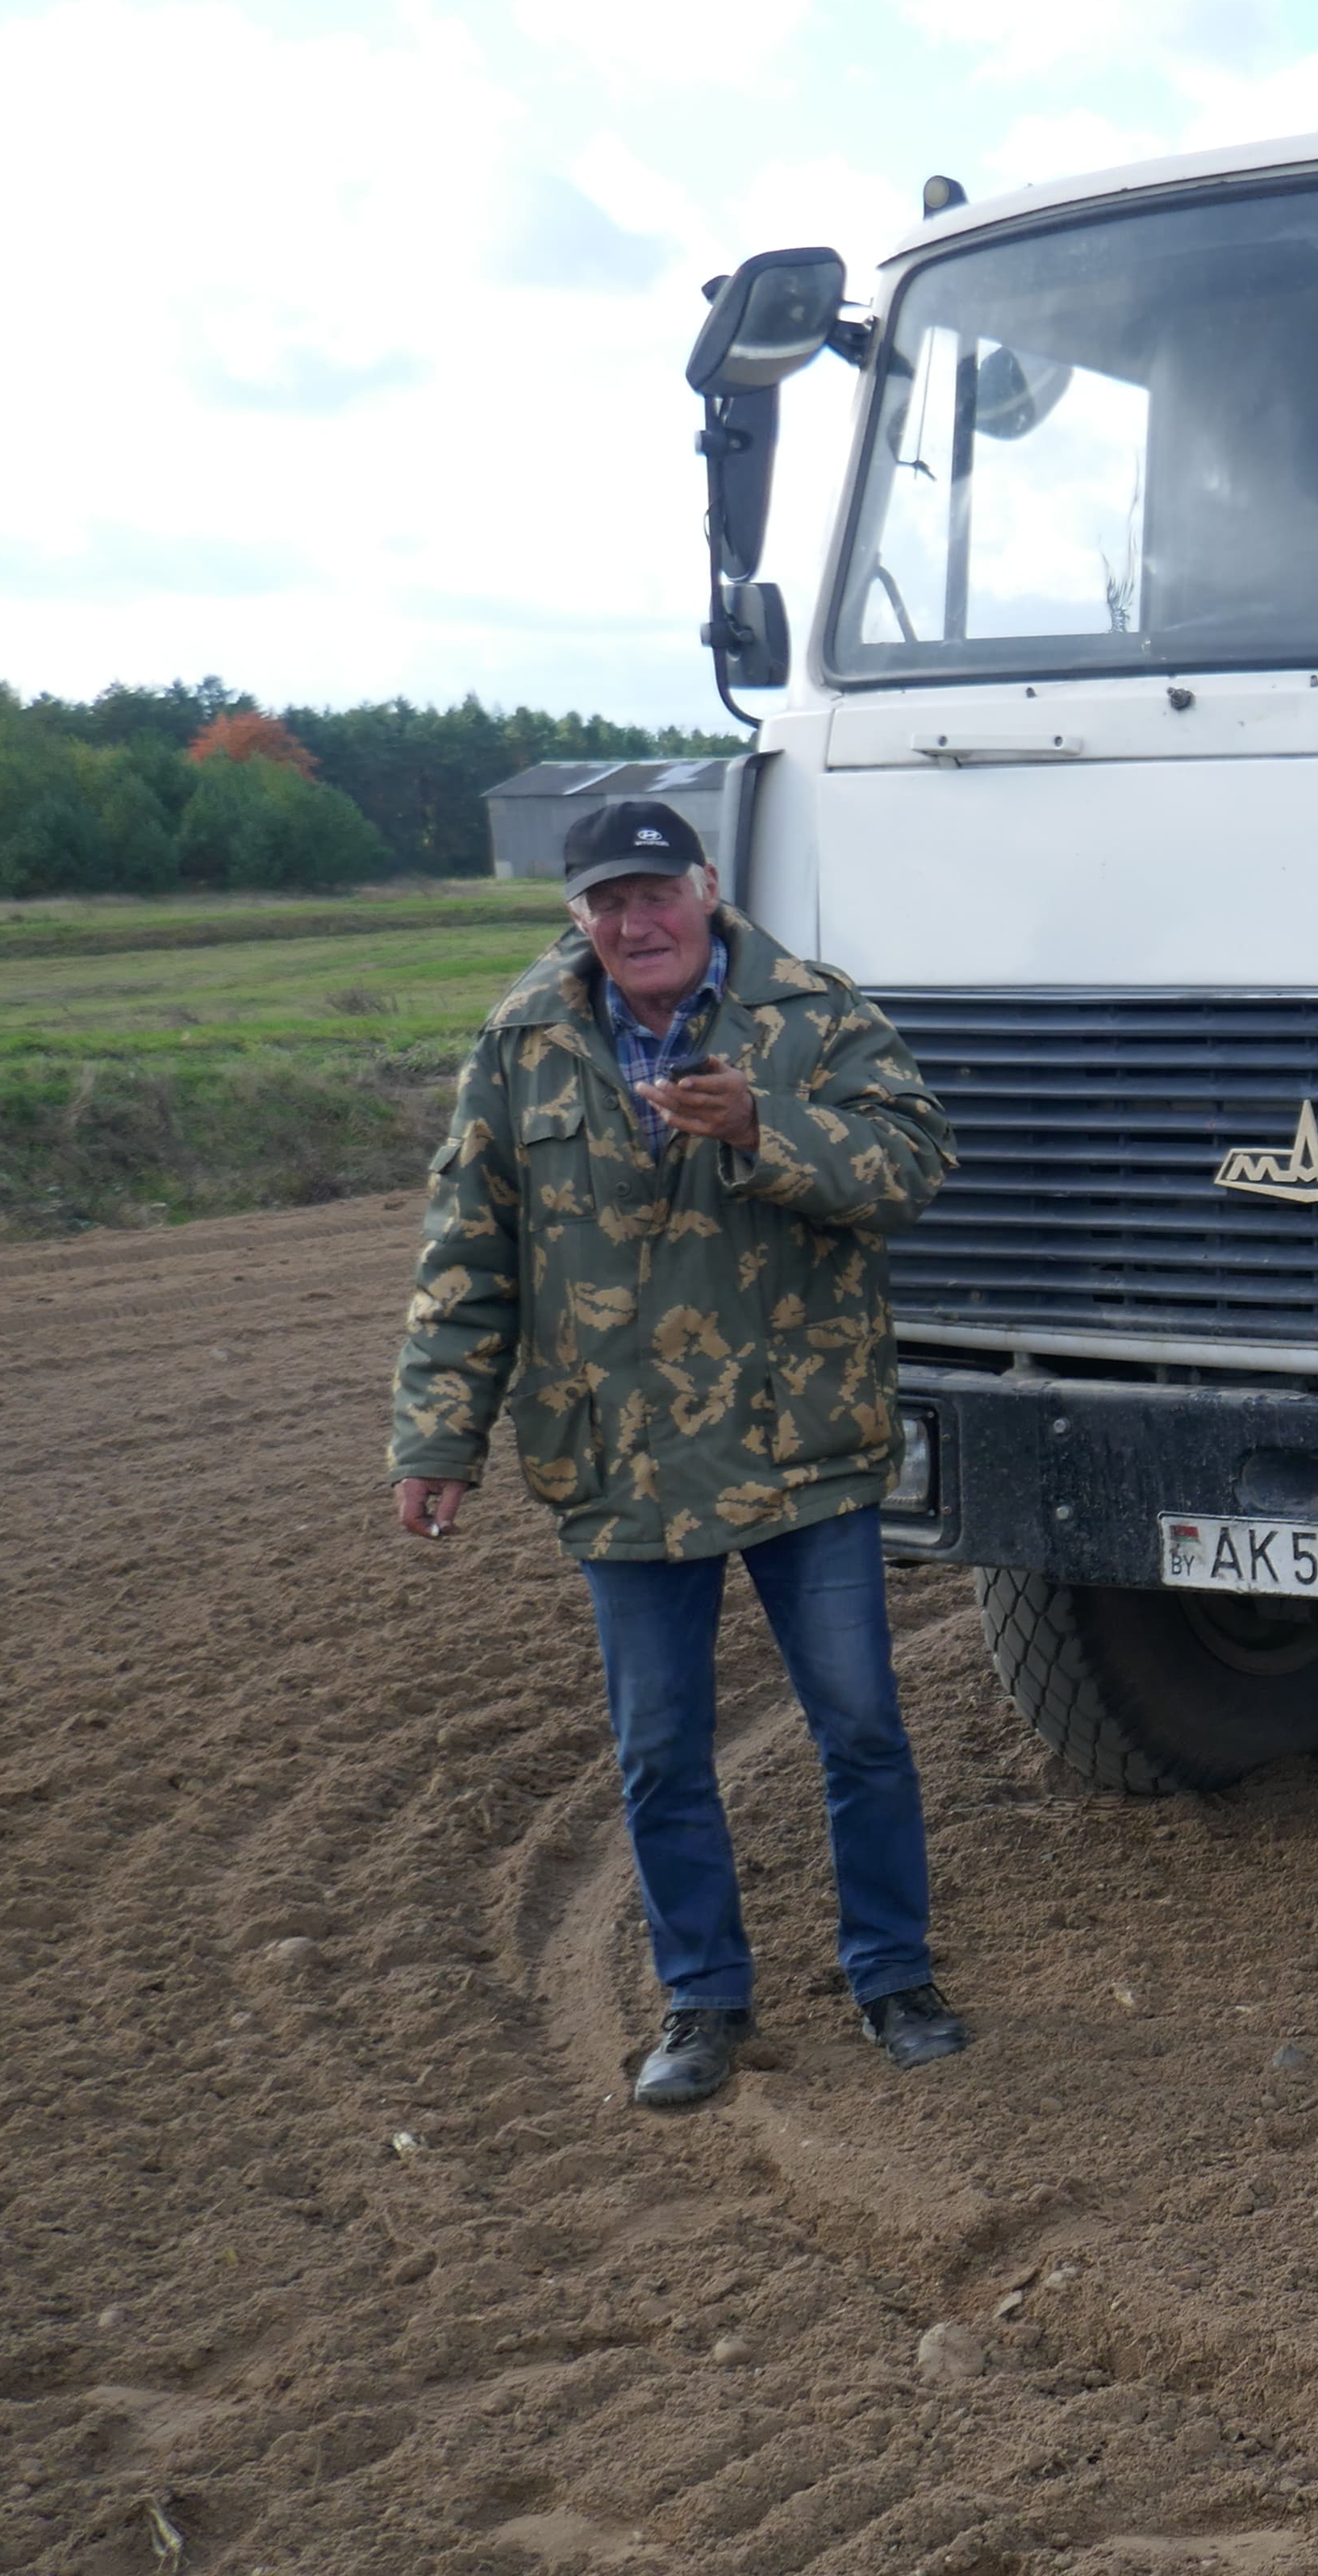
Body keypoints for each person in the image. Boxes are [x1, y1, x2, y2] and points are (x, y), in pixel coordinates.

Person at [389, 795, 967, 2108]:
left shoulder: (813, 1016)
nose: (634, 920)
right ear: (576, 916)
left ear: (704, 886)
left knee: (862, 1728)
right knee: (659, 1749)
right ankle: (702, 2001)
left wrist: (764, 1129)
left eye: (656, 893)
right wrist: (437, 1440)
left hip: (800, 1446)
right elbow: (466, 1254)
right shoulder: (522, 1040)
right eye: (606, 901)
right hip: (624, 1461)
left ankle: (894, 1977)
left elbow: (915, 1166)